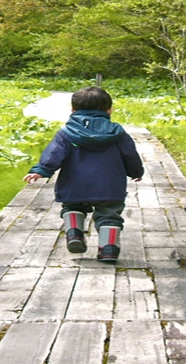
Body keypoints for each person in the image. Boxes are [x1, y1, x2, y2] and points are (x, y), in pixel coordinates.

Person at [23, 86, 144, 262]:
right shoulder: (118, 133)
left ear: (73, 110)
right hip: (109, 186)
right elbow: (130, 154)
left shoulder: (66, 134)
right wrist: (135, 171)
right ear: (109, 109)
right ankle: (108, 249)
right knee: (109, 214)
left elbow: (54, 154)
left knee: (73, 207)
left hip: (74, 184)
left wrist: (40, 171)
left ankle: (74, 234)